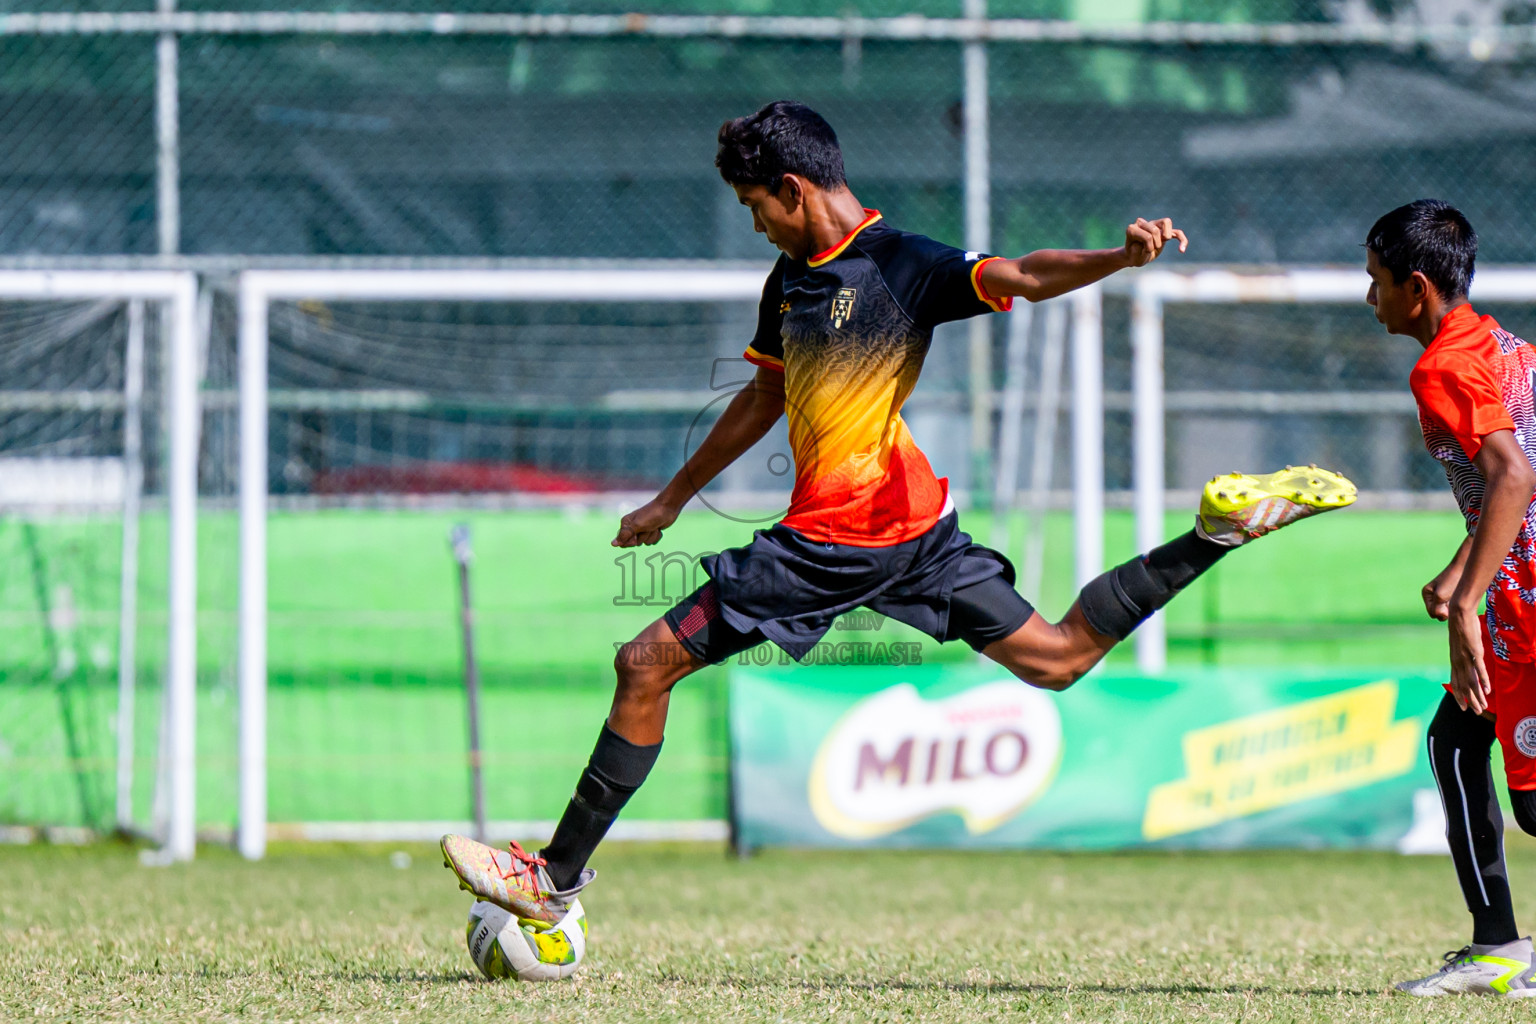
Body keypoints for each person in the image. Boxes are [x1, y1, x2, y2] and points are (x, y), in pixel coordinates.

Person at [440, 100, 1356, 926]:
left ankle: (552, 882)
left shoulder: (903, 264)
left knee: (643, 665)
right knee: (1060, 659)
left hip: (837, 543)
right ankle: (1214, 535)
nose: (755, 223)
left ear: (793, 189)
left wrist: (1119, 257)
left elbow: (1025, 275)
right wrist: (672, 500)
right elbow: (762, 400)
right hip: (914, 535)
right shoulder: (791, 279)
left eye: (757, 205)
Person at [1362, 200, 1536, 998]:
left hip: (1526, 607)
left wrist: (1469, 605)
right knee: (1457, 741)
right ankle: (1498, 947)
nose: (1371, 298)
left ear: (1417, 288)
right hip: (1510, 585)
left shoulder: (1441, 369)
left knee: (1534, 807)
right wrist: (1465, 568)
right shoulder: (1504, 347)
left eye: (1376, 282)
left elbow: (1515, 477)